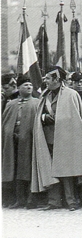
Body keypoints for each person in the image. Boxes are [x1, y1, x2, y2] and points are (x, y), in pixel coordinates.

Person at [31, 66, 82, 211]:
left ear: (56, 79)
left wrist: (58, 119)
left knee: (67, 170)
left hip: (66, 137)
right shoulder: (45, 95)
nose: (45, 81)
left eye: (48, 78)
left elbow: (75, 118)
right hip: (49, 138)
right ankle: (54, 201)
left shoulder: (71, 95)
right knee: (50, 169)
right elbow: (40, 114)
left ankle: (71, 201)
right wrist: (44, 117)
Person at [2, 75, 39, 208]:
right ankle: (19, 199)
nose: (29, 87)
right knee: (16, 168)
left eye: (30, 85)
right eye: (25, 85)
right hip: (13, 142)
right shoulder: (11, 104)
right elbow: (5, 123)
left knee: (28, 168)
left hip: (30, 141)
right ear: (18, 88)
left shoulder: (36, 103)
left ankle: (31, 198)